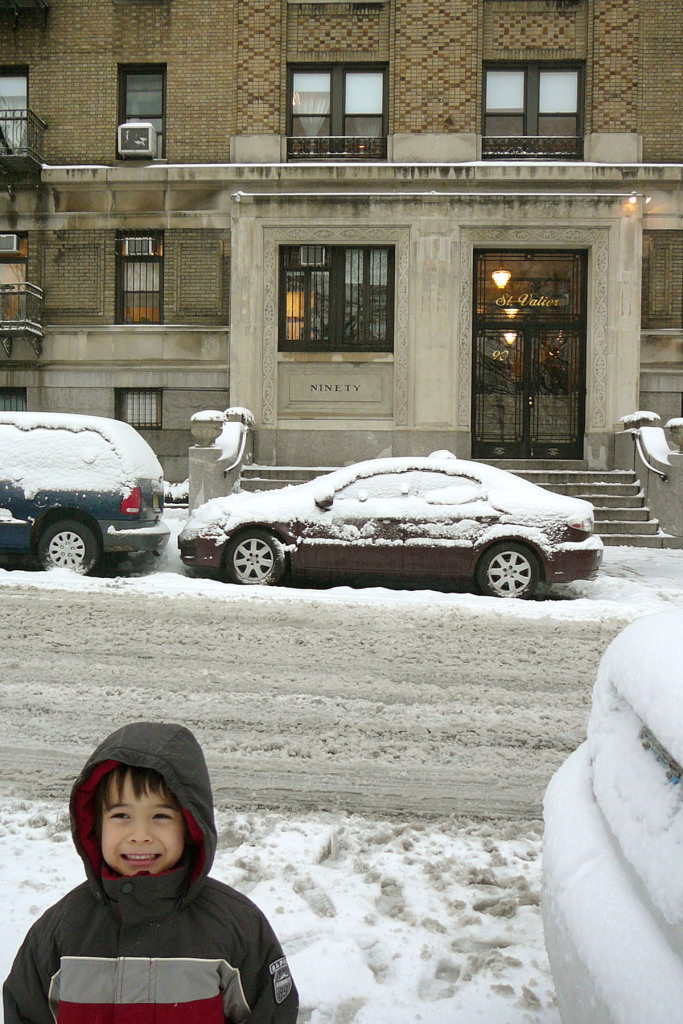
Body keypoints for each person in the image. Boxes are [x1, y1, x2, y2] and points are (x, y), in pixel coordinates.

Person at [3, 721, 299, 1024]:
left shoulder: (235, 927)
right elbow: (25, 1011)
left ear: (189, 825)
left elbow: (270, 1013)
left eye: (160, 816)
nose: (140, 834)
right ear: (96, 824)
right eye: (121, 815)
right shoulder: (60, 932)